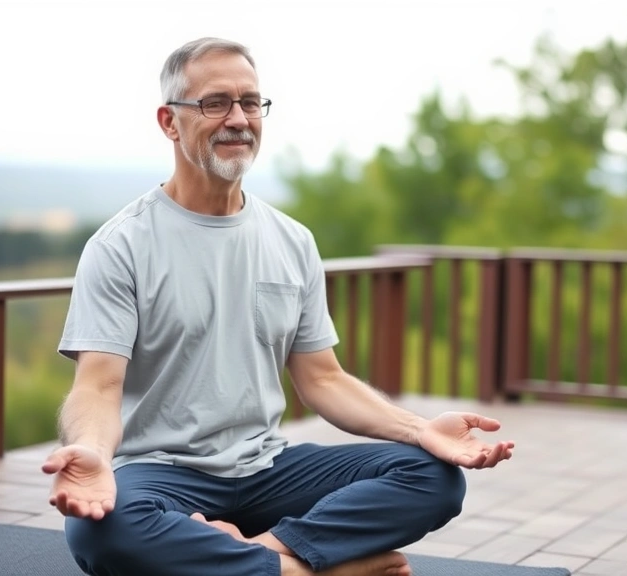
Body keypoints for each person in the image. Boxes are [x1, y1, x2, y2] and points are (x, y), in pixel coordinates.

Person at [41, 37, 515, 576]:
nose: (238, 118)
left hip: (268, 468)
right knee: (101, 529)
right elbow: (98, 386)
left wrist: (419, 428)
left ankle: (264, 554)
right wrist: (94, 453)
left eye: (250, 102)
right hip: (162, 472)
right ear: (169, 122)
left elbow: (323, 380)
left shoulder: (292, 241)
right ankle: (315, 569)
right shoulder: (120, 245)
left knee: (433, 476)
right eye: (215, 102)